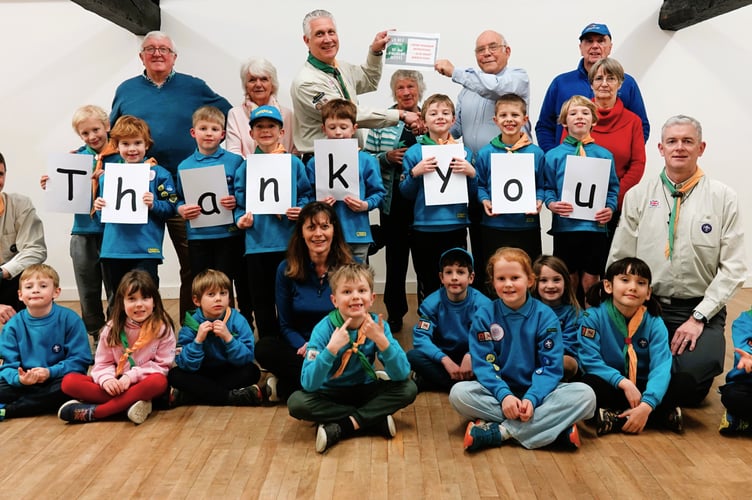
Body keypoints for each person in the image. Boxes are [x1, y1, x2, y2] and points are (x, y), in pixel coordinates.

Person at [609, 115, 747, 407]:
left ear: (701, 147)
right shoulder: (639, 195)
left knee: (688, 386)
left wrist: (699, 317)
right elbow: (620, 260)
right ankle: (654, 397)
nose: (679, 148)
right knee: (620, 369)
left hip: (699, 310)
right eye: (672, 141)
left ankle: (654, 395)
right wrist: (626, 308)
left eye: (688, 141)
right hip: (648, 306)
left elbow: (734, 268)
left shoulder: (723, 198)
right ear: (660, 148)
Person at [110, 30, 232, 320]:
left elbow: (230, 115)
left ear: (174, 56)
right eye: (150, 48)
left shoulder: (194, 86)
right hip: (139, 192)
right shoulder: (126, 89)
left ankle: (191, 326)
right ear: (141, 56)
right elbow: (112, 135)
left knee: (193, 262)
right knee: (137, 265)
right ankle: (145, 328)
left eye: (164, 49)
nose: (157, 53)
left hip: (185, 189)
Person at [449, 247, 596, 451]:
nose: (508, 284)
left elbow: (551, 367)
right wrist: (505, 396)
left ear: (529, 281)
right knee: (459, 393)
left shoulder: (545, 316)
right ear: (493, 283)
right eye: (501, 278)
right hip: (499, 392)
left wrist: (532, 398)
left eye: (515, 277)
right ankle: (553, 431)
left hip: (540, 392)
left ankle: (501, 432)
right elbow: (483, 364)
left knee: (586, 396)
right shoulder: (484, 315)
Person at [287, 263, 417, 453]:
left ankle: (343, 425)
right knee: (296, 403)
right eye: (347, 292)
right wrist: (330, 350)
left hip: (365, 389)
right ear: (334, 300)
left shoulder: (378, 326)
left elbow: (401, 374)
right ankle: (373, 419)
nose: (355, 296)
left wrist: (382, 341)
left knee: (409, 388)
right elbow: (308, 383)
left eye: (362, 290)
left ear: (372, 298)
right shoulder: (323, 330)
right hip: (330, 393)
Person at [254, 202, 354, 402]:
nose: (318, 234)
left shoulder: (351, 268)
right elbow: (285, 325)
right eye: (311, 227)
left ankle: (289, 387)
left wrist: (329, 347)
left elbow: (355, 321)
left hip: (338, 345)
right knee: (264, 347)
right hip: (301, 349)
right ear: (301, 233)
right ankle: (334, 387)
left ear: (334, 230)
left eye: (324, 227)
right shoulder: (285, 269)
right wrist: (308, 347)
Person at [290, 9, 421, 158]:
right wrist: (400, 114)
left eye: (331, 32)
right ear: (307, 40)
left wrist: (375, 52)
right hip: (322, 159)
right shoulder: (306, 81)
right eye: (320, 34)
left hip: (349, 157)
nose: (328, 39)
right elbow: (345, 114)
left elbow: (369, 80)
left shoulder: (341, 67)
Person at [40, 105, 119, 339]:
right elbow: (68, 192)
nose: (92, 136)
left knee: (115, 287)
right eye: (85, 133)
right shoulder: (74, 159)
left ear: (107, 126)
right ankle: (94, 333)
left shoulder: (122, 156)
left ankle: (115, 334)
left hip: (114, 232)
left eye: (96, 129)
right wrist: (52, 184)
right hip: (83, 231)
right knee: (87, 288)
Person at [59, 270, 176, 424]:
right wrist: (107, 380)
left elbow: (162, 366)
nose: (139, 304)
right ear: (122, 303)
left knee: (159, 382)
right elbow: (102, 363)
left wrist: (131, 376)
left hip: (143, 383)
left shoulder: (162, 328)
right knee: (69, 382)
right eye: (132, 299)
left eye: (145, 298)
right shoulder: (111, 328)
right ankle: (129, 404)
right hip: (116, 385)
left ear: (154, 301)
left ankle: (98, 412)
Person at [235, 105, 312, 337]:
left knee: (291, 295)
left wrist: (301, 210)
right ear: (251, 134)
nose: (265, 131)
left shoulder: (294, 163)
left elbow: (306, 194)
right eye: (259, 127)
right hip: (257, 244)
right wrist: (241, 220)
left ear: (281, 131)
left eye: (271, 126)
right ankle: (268, 343)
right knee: (262, 299)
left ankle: (294, 342)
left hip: (289, 242)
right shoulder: (246, 166)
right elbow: (240, 203)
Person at [579, 257, 677, 435]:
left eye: (641, 283)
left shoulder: (655, 322)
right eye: (625, 280)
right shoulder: (591, 317)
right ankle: (660, 417)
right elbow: (589, 361)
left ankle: (615, 418)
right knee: (586, 385)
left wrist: (647, 404)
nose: (633, 287)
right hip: (611, 384)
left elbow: (661, 366)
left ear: (648, 292)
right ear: (608, 286)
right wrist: (623, 382)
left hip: (643, 384)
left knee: (683, 382)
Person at [400, 94, 477, 303]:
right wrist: (415, 173)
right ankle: (428, 323)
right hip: (424, 227)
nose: (440, 117)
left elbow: (473, 194)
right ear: (423, 121)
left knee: (456, 280)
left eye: (445, 113)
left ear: (453, 120)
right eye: (433, 113)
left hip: (456, 225)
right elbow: (405, 192)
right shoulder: (415, 152)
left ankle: (456, 323)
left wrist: (472, 174)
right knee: (427, 279)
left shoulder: (464, 152)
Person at [93, 116, 178, 304]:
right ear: (116, 146)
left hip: (145, 249)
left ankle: (151, 334)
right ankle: (116, 334)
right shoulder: (108, 176)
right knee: (117, 301)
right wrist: (99, 207)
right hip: (114, 250)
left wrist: (154, 204)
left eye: (138, 143)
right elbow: (102, 218)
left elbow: (171, 208)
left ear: (146, 145)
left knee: (147, 299)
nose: (132, 149)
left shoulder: (160, 174)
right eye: (125, 143)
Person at [364, 69, 425, 331]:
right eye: (400, 88)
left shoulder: (430, 117)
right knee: (396, 261)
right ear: (393, 92)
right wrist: (386, 158)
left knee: (424, 262)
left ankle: (427, 312)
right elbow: (366, 159)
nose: (406, 92)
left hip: (423, 204)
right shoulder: (383, 122)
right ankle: (395, 313)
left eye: (411, 87)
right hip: (392, 203)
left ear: (419, 90)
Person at [176, 105, 248, 321]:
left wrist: (235, 199)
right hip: (199, 237)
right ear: (193, 132)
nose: (209, 133)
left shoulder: (235, 162)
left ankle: (230, 325)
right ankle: (202, 327)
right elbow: (179, 197)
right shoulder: (184, 166)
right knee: (202, 284)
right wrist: (181, 208)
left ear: (223, 134)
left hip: (228, 234)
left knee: (226, 283)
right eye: (203, 128)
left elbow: (243, 192)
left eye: (215, 129)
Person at [543, 95, 618, 296]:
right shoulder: (553, 156)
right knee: (569, 275)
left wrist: (610, 208)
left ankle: (591, 317)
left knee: (592, 277)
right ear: (564, 121)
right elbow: (547, 187)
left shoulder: (604, 155)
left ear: (593, 120)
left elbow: (612, 188)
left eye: (585, 113)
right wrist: (551, 204)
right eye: (573, 113)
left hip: (594, 227)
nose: (579, 117)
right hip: (565, 227)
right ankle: (572, 316)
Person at [535, 23, 649, 152]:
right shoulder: (561, 83)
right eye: (589, 41)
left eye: (601, 41)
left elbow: (641, 127)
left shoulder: (627, 83)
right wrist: (555, 157)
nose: (595, 46)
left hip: (615, 166)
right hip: (567, 165)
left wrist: (626, 157)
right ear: (581, 48)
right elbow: (545, 126)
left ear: (610, 47)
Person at [0, 264, 92, 421]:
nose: (35, 290)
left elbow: (80, 361)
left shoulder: (70, 319)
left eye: (43, 286)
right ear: (20, 294)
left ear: (56, 292)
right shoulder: (12, 326)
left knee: (71, 385)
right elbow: (7, 366)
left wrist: (50, 372)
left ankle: (10, 410)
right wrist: (19, 378)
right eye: (29, 287)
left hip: (56, 378)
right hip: (25, 381)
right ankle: (45, 403)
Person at [168, 269, 265, 407]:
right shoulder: (190, 324)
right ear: (197, 300)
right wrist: (198, 341)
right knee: (174, 375)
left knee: (252, 371)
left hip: (228, 369)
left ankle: (193, 395)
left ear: (229, 298)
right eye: (211, 294)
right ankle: (231, 397)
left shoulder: (238, 320)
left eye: (223, 293)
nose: (218, 298)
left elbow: (247, 356)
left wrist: (229, 338)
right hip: (201, 372)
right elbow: (184, 362)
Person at [305, 99, 385, 262]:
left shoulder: (365, 160)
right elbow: (306, 195)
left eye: (343, 127)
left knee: (356, 281)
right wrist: (318, 205)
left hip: (357, 233)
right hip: (324, 237)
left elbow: (379, 193)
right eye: (332, 127)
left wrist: (365, 205)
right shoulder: (314, 162)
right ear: (324, 129)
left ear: (354, 128)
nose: (338, 133)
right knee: (327, 281)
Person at [407, 248, 491, 392]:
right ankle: (464, 387)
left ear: (471, 278)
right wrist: (444, 360)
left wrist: (471, 354)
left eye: (460, 272)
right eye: (448, 272)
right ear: (441, 277)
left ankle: (434, 383)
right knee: (412, 356)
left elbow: (488, 337)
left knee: (498, 356)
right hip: (444, 357)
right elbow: (421, 338)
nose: (454, 277)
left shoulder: (483, 305)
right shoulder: (431, 303)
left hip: (473, 357)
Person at [474, 93, 544, 268]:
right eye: (503, 115)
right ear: (495, 120)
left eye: (515, 115)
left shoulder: (536, 153)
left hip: (526, 225)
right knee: (494, 272)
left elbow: (542, 185)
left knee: (528, 272)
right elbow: (480, 185)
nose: (509, 120)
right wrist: (485, 200)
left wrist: (539, 201)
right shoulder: (485, 153)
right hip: (494, 225)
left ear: (525, 119)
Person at [435, 30, 530, 153]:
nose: (486, 53)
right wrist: (430, 126)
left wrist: (454, 72)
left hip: (510, 163)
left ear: (507, 51)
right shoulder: (467, 88)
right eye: (480, 50)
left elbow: (494, 88)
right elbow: (456, 129)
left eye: (493, 47)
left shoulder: (518, 77)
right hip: (472, 167)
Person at [586, 58, 645, 239]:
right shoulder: (577, 117)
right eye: (598, 78)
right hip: (580, 205)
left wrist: (613, 198)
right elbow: (566, 160)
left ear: (620, 84)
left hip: (617, 207)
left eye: (611, 78)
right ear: (591, 84)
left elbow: (637, 163)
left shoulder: (633, 121)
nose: (604, 84)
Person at [0, 152, 46, 323]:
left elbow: (36, 249)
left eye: (0, 174)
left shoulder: (20, 204)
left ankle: (32, 339)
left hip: (9, 277)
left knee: (38, 277)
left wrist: (3, 272)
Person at [226, 58, 296, 157]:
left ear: (272, 84)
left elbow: (294, 151)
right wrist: (255, 168)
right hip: (247, 170)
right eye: (252, 80)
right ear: (246, 85)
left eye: (264, 79)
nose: (258, 84)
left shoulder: (287, 114)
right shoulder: (235, 114)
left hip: (284, 170)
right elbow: (234, 154)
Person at [532, 255, 581, 381]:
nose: (550, 285)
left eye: (556, 280)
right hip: (530, 358)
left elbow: (570, 346)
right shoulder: (529, 309)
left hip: (558, 358)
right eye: (543, 280)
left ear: (566, 282)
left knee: (567, 362)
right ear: (534, 283)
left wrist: (546, 353)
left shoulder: (573, 313)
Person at [719, 308, 752, 435]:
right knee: (732, 396)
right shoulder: (745, 320)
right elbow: (744, 356)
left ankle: (742, 422)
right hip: (747, 386)